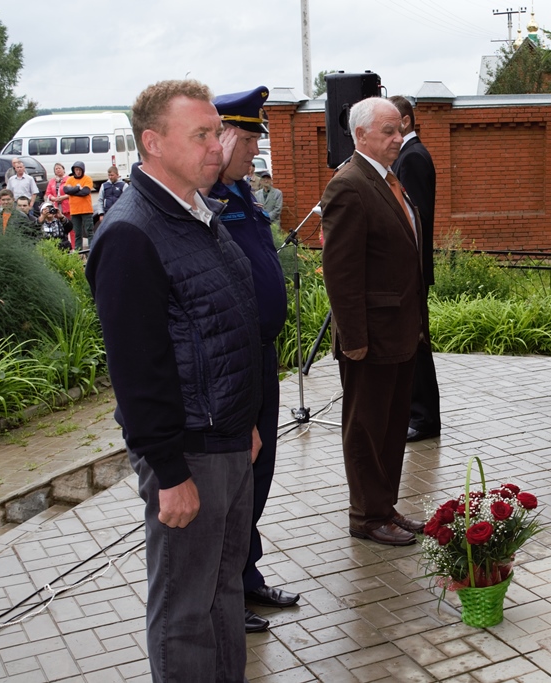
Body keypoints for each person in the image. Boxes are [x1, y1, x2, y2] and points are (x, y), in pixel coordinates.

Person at [86, 80, 262, 683]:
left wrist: (249, 425)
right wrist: (169, 472)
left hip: (227, 440)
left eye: (218, 133)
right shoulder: (132, 233)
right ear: (153, 144)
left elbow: (230, 326)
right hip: (188, 451)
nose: (219, 147)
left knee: (223, 593)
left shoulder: (197, 213)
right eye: (203, 135)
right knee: (184, 610)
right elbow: (138, 371)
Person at [207, 86, 299, 634]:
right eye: (248, 141)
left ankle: (247, 574)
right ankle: (224, 593)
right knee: (234, 478)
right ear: (223, 137)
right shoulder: (209, 199)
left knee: (257, 473)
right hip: (233, 362)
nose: (254, 153)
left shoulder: (240, 194)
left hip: (261, 355)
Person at [320, 97, 429, 547]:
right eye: (387, 131)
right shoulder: (349, 185)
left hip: (400, 332)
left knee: (390, 426)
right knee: (367, 427)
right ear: (360, 134)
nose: (397, 138)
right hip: (371, 337)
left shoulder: (386, 179)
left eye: (398, 129)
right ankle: (366, 515)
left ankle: (384, 507)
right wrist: (355, 340)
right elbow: (341, 273)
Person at [389, 95, 441, 442]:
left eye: (393, 125)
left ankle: (423, 418)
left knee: (417, 342)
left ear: (406, 121)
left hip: (412, 271)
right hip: (411, 271)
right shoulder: (409, 155)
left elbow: (415, 219)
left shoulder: (412, 158)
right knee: (413, 340)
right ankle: (418, 413)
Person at [63, 161, 94, 248]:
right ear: (74, 170)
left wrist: (72, 191)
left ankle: (91, 249)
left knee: (89, 231)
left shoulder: (87, 179)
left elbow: (85, 192)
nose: (78, 172)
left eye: (80, 170)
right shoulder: (70, 179)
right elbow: (66, 190)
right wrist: (77, 188)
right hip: (74, 211)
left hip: (86, 210)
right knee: (77, 233)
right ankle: (78, 252)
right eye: (76, 170)